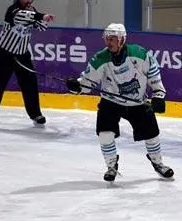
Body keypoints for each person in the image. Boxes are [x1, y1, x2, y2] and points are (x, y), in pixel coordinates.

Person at [64, 24, 174, 182]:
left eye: (113, 39)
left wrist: (158, 95)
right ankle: (111, 166)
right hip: (111, 102)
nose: (109, 43)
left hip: (137, 102)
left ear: (122, 40)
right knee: (104, 133)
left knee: (151, 134)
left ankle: (158, 163)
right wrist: (77, 86)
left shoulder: (140, 54)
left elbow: (153, 74)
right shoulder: (100, 59)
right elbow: (87, 83)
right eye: (107, 39)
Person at [0, 0, 55, 127]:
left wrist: (44, 20)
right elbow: (23, 16)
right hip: (5, 54)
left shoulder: (32, 11)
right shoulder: (13, 10)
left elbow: (40, 27)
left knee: (30, 85)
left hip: (22, 55)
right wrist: (42, 16)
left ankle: (36, 114)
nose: (28, 0)